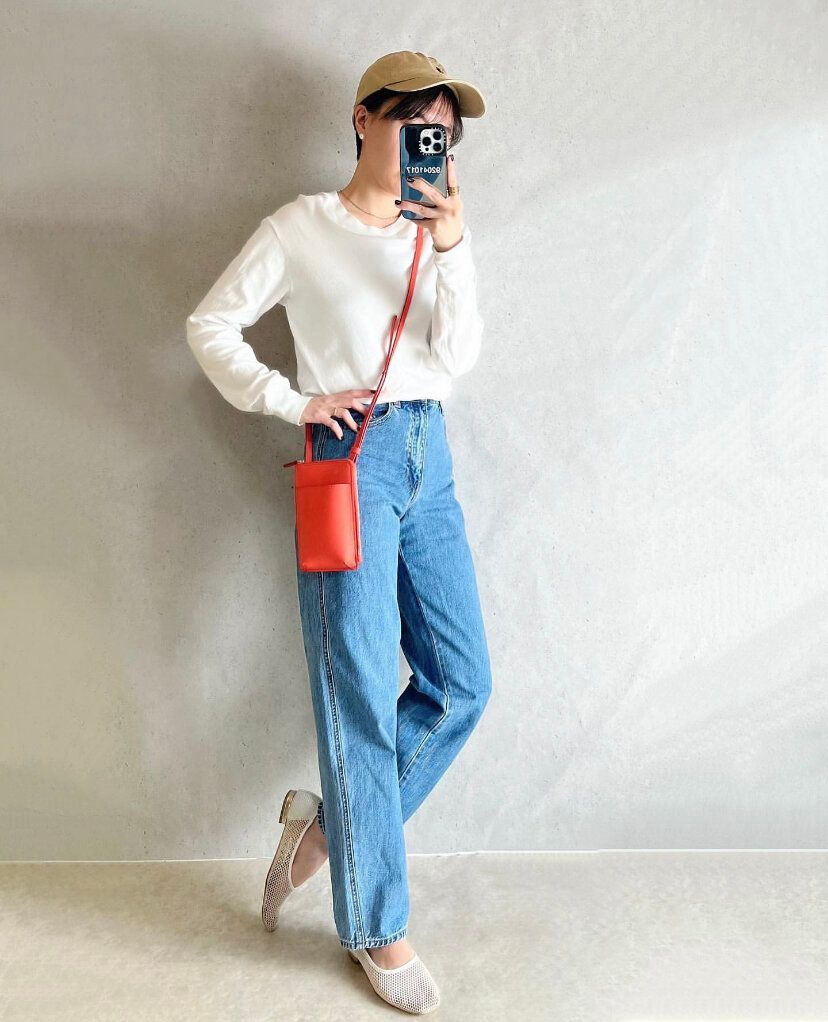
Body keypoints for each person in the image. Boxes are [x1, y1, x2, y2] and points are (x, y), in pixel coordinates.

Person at [185, 50, 492, 1015]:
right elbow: (210, 326)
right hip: (352, 457)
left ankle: (327, 834)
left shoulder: (433, 232)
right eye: (413, 123)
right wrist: (293, 401)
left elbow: (457, 356)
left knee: (462, 684)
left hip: (430, 456)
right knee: (357, 686)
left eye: (442, 131)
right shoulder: (302, 227)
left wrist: (452, 244)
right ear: (365, 119)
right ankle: (375, 926)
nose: (428, 142)